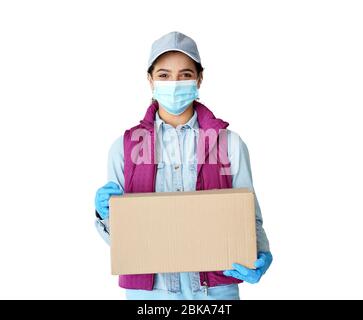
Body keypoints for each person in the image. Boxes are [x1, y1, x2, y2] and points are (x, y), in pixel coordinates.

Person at [94, 31, 272, 300]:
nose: (174, 83)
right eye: (164, 75)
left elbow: (247, 215)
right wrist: (104, 215)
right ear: (150, 80)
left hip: (216, 290)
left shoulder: (229, 143)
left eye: (185, 74)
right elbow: (121, 241)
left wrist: (260, 251)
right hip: (152, 295)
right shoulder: (125, 147)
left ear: (200, 79)